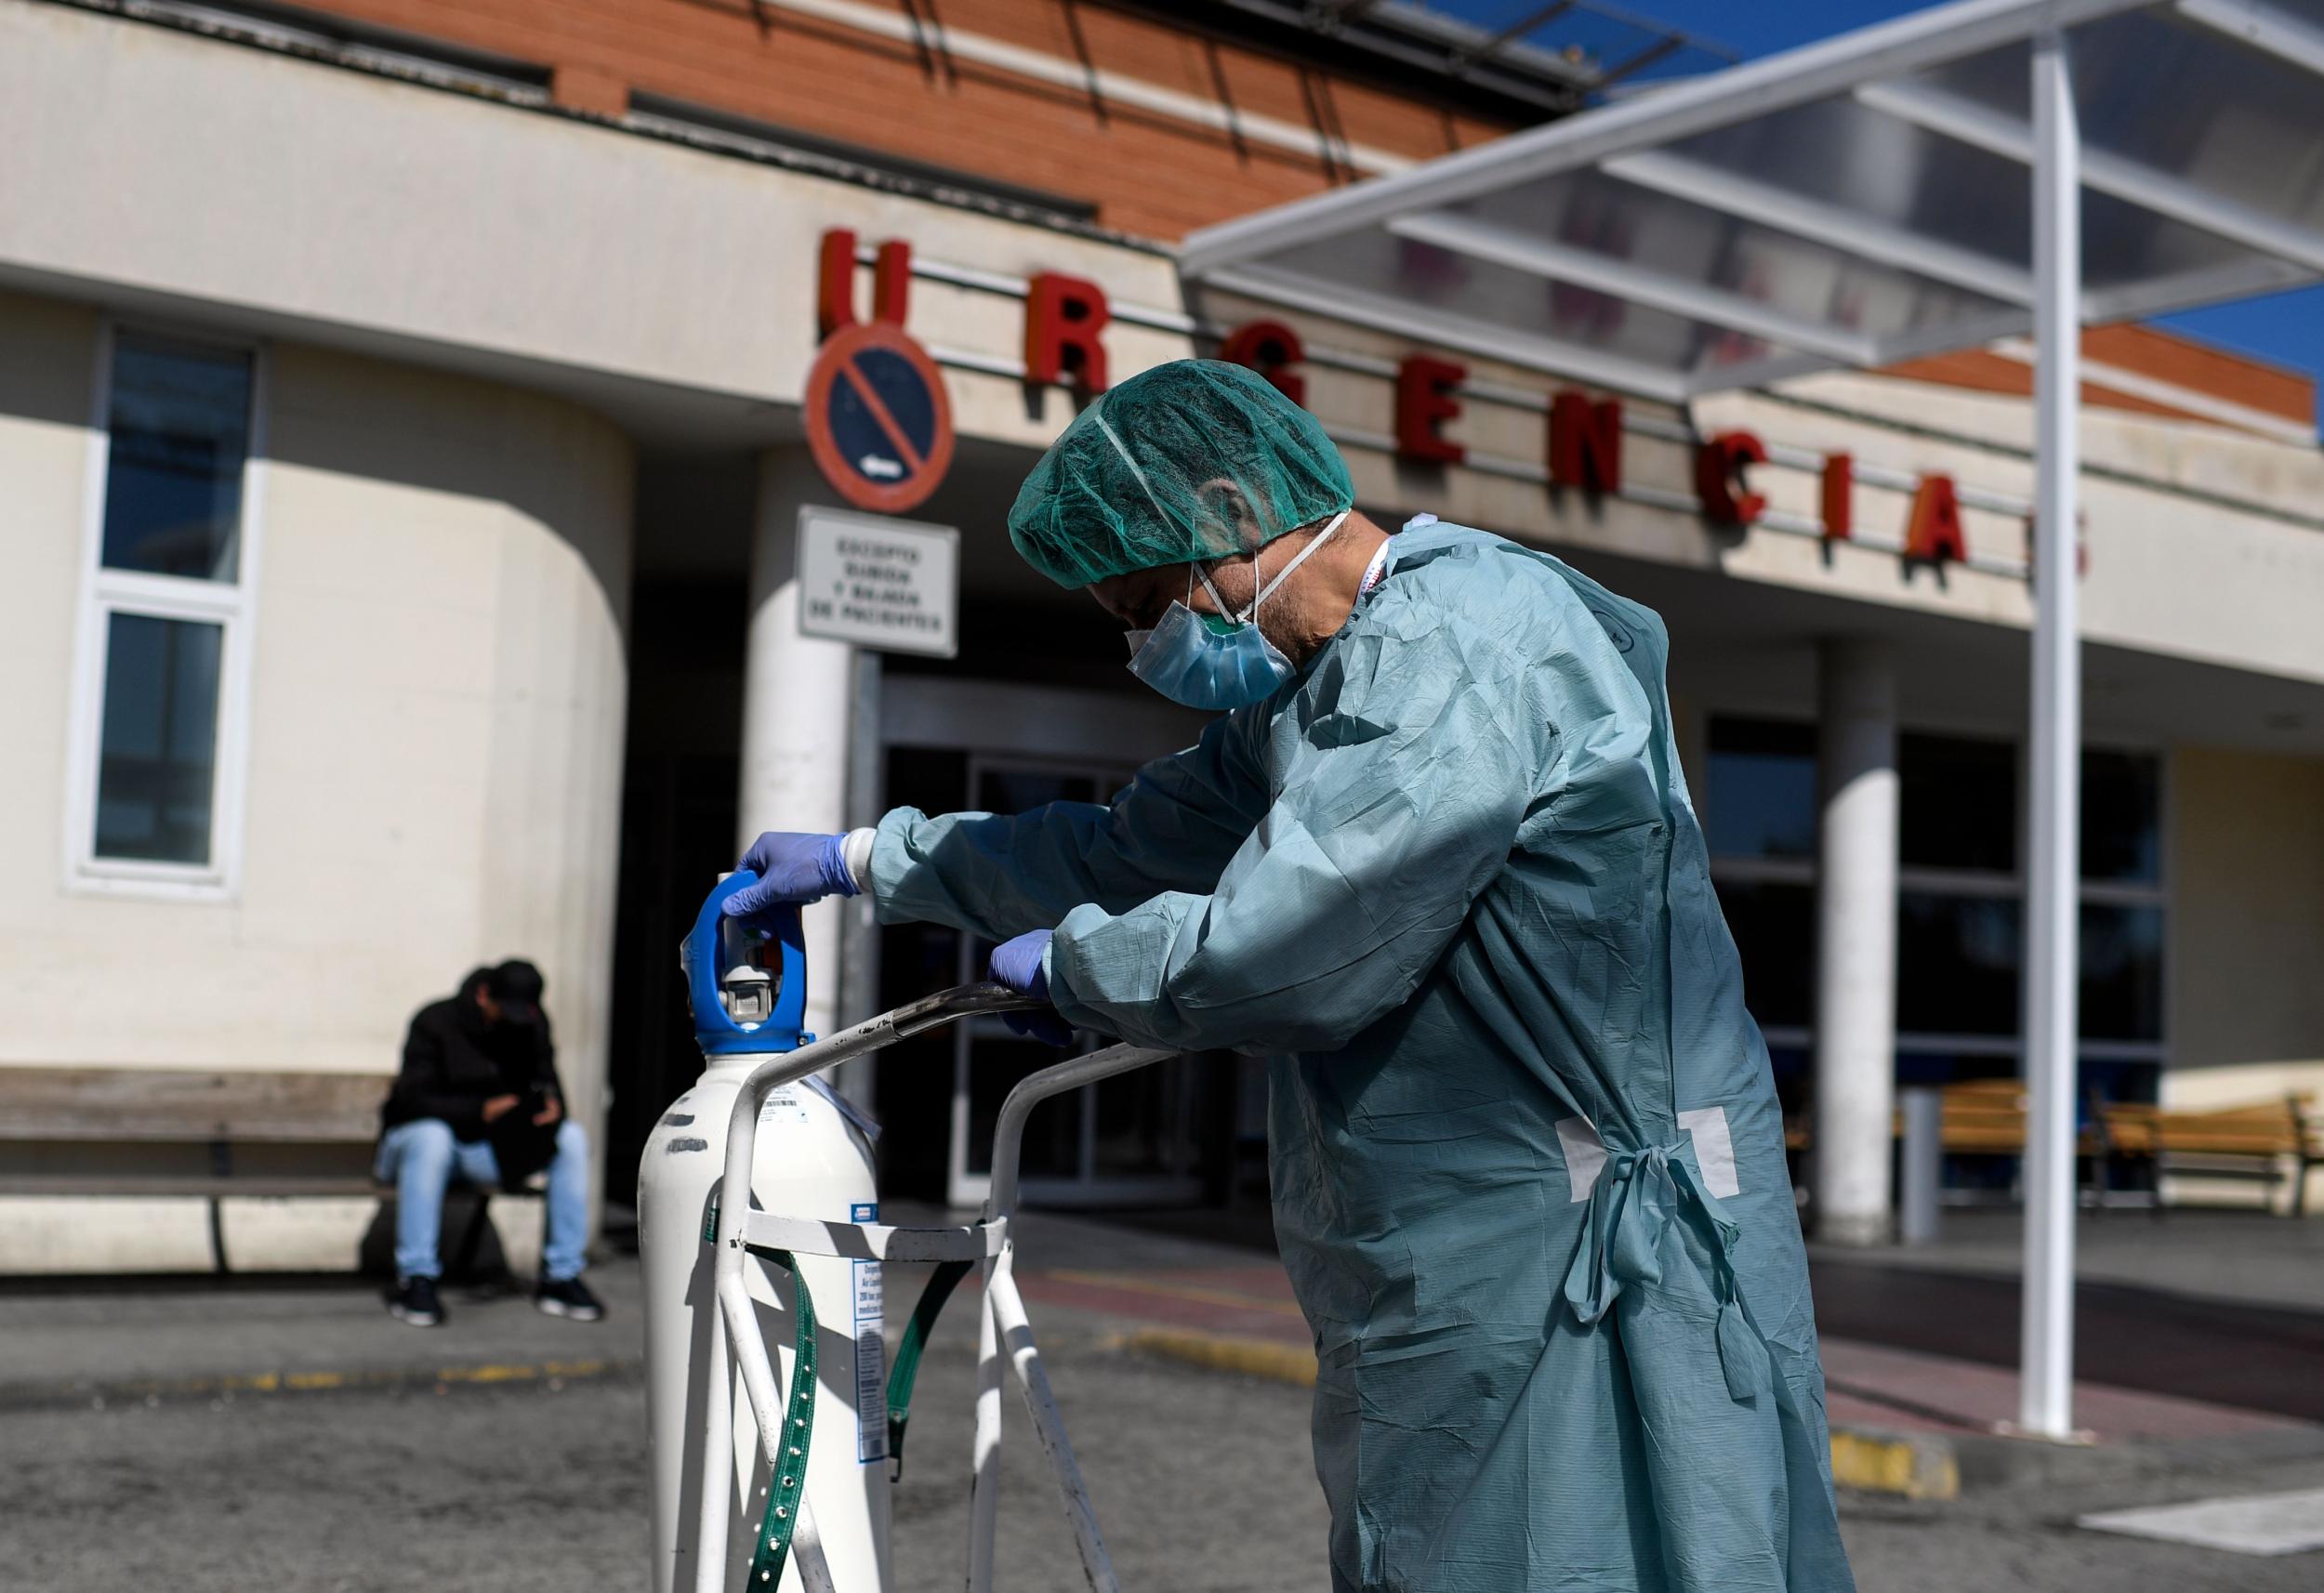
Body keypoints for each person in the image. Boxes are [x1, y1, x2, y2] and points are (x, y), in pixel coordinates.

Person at [731, 361, 1854, 1592]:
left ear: (1227, 509)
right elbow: (1115, 851)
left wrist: (1078, 965)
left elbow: (1303, 941)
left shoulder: (1458, 645)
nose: (1143, 643)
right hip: (1475, 1247)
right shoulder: (1308, 698)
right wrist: (865, 859)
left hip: (1583, 1248)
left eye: (1149, 599)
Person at [376, 959, 603, 1327]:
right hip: (415, 1148)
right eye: (507, 1010)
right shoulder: (435, 1021)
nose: (514, 1021)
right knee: (431, 1137)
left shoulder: (531, 1024)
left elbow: (550, 1084)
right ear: (484, 995)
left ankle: (561, 1277)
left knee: (572, 1139)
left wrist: (550, 1110)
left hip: (492, 1150)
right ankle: (416, 1278)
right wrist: (482, 1110)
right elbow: (410, 1101)